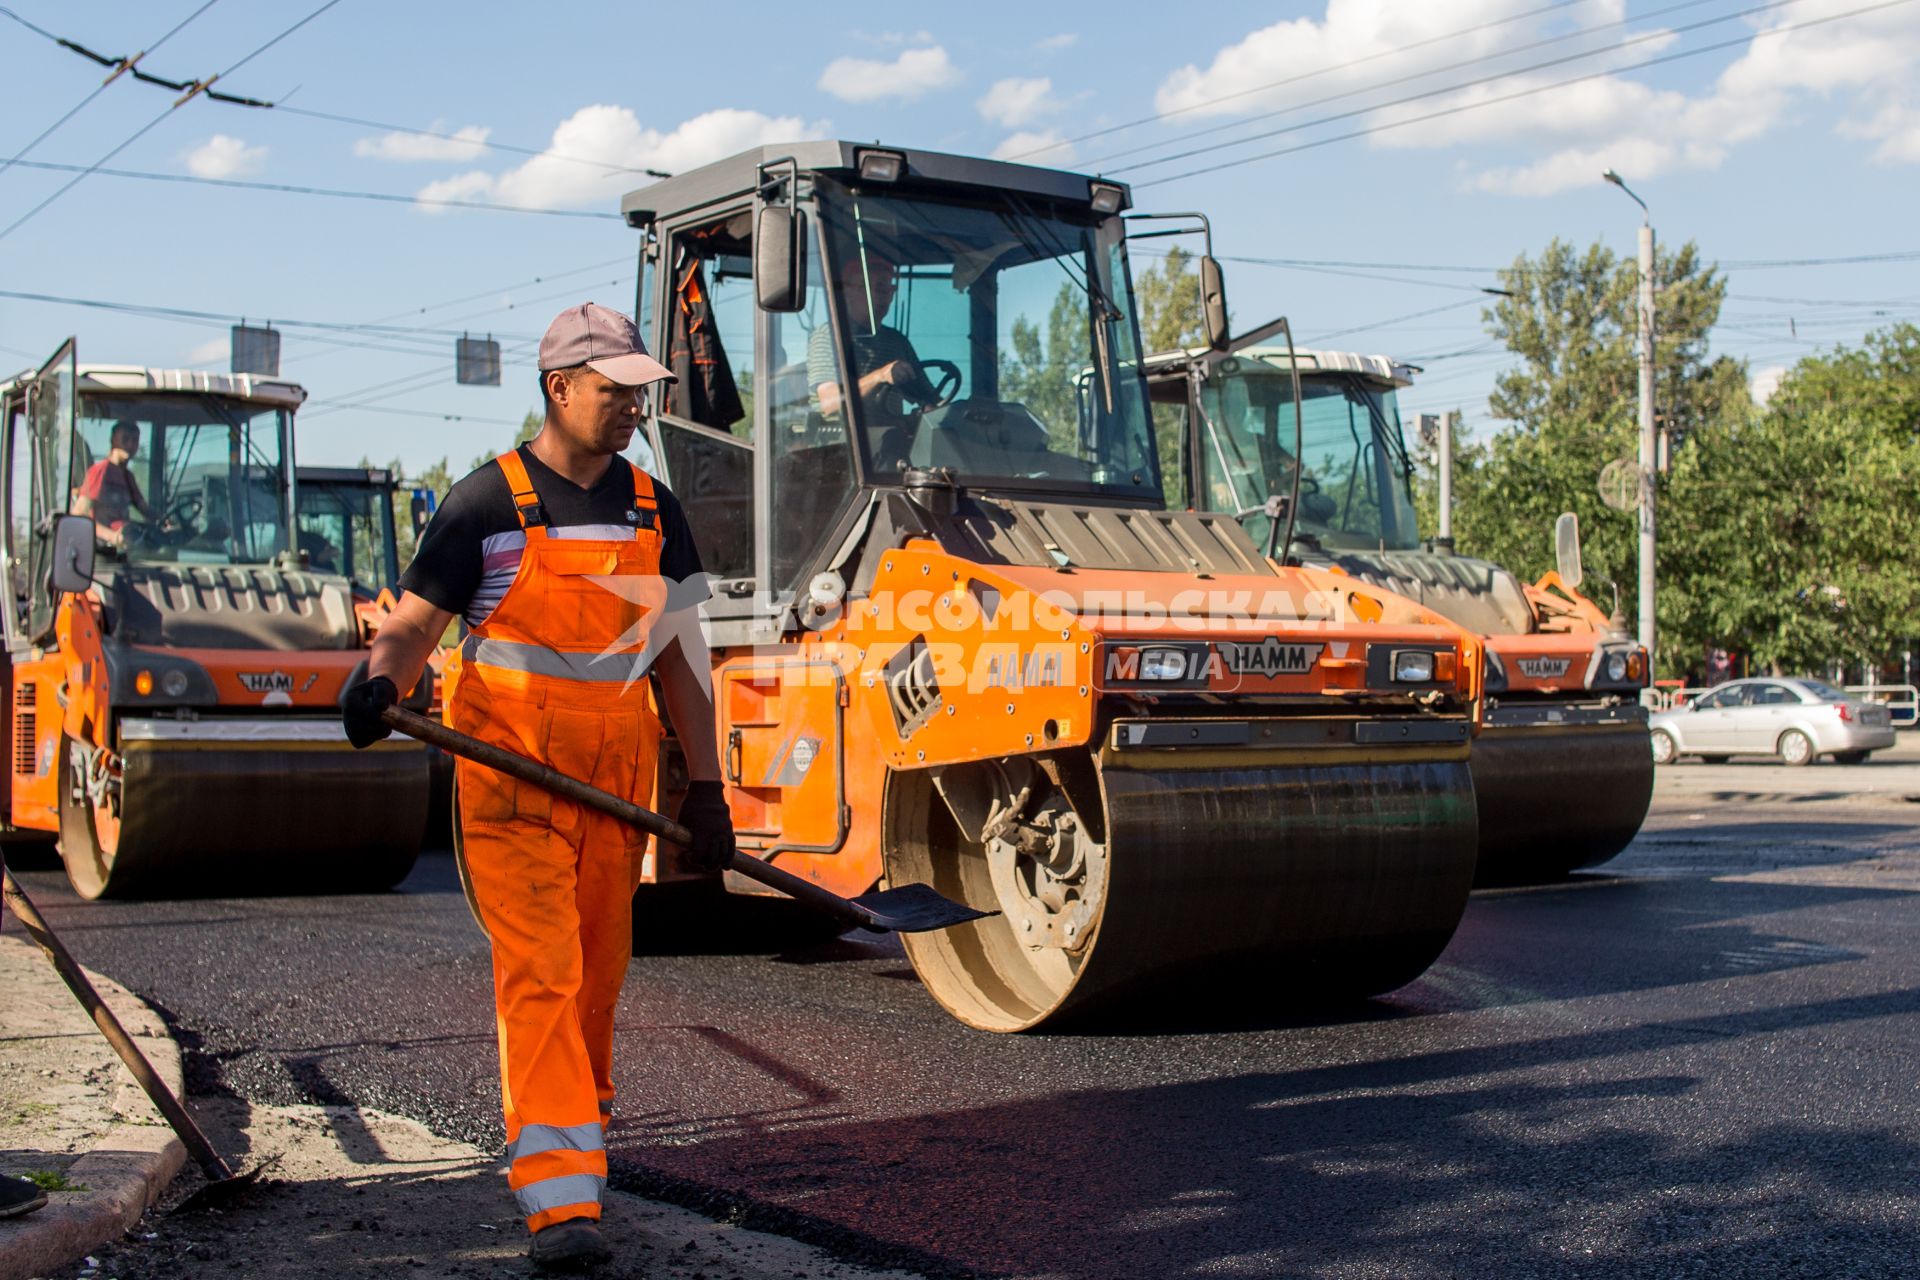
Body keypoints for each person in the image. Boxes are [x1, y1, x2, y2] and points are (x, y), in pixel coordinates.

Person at [340, 303, 736, 1274]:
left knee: (597, 981)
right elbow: (416, 622)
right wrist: (380, 678)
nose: (634, 407)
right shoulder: (485, 504)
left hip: (616, 789)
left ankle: (577, 1149)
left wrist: (710, 788)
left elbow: (682, 659)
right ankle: (559, 1199)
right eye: (616, 390)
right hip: (513, 787)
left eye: (642, 392)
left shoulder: (653, 510)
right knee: (545, 976)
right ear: (560, 388)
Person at [807, 250, 937, 448]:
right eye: (871, 288)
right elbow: (830, 403)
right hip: (843, 445)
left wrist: (931, 408)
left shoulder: (896, 341)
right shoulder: (830, 336)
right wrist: (880, 376)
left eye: (886, 289)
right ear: (848, 292)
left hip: (888, 441)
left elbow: (928, 396)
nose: (881, 296)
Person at [70, 420, 160, 547]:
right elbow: (79, 515)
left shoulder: (128, 477)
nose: (130, 445)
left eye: (135, 440)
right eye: (125, 439)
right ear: (113, 440)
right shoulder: (100, 471)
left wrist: (165, 521)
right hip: (103, 548)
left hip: (127, 542)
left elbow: (145, 510)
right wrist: (112, 536)